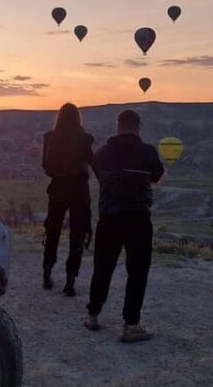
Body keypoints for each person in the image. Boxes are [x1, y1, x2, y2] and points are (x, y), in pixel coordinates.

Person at [84, 109, 164, 342]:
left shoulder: (103, 152)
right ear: (138, 127)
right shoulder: (148, 151)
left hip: (109, 218)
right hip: (138, 219)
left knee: (103, 268)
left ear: (117, 126)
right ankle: (130, 325)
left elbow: (99, 175)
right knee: (137, 272)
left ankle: (92, 315)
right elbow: (157, 176)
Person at [41, 103, 95, 296]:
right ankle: (70, 280)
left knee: (53, 230)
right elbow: (93, 162)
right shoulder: (84, 139)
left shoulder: (50, 137)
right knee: (77, 234)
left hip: (58, 188)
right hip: (79, 190)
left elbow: (46, 166)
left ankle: (47, 272)